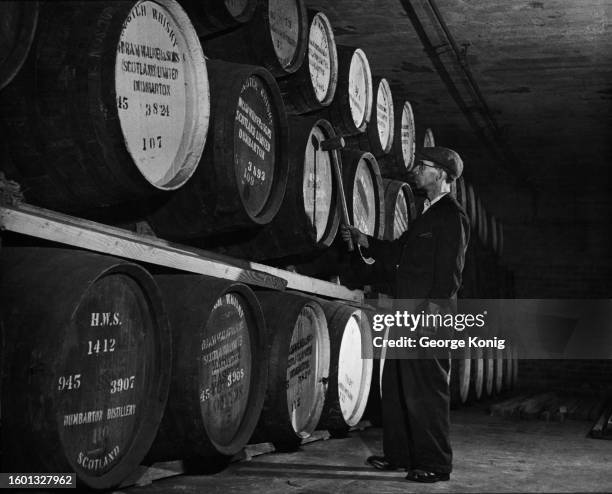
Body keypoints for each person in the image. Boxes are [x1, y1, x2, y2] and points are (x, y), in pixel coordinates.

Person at [342, 146, 470, 483]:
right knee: (397, 386)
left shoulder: (451, 216)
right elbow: (399, 252)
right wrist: (365, 240)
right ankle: (399, 455)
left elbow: (450, 273)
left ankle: (435, 463)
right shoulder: (426, 214)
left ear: (442, 175)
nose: (416, 170)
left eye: (423, 166)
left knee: (427, 391)